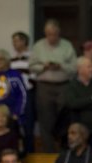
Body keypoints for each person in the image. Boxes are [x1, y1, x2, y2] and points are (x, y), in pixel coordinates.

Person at [30, 19, 77, 150]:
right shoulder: (38, 46)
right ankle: (48, 152)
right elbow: (32, 66)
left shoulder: (67, 45)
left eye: (54, 34)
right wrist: (44, 67)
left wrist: (61, 66)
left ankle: (64, 150)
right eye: (49, 34)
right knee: (45, 120)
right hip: (44, 86)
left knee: (64, 118)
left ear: (59, 33)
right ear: (45, 33)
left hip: (64, 86)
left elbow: (74, 67)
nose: (52, 37)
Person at [59, 57, 92, 141]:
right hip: (78, 130)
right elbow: (72, 103)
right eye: (89, 67)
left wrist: (81, 104)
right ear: (80, 69)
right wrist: (91, 99)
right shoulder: (72, 86)